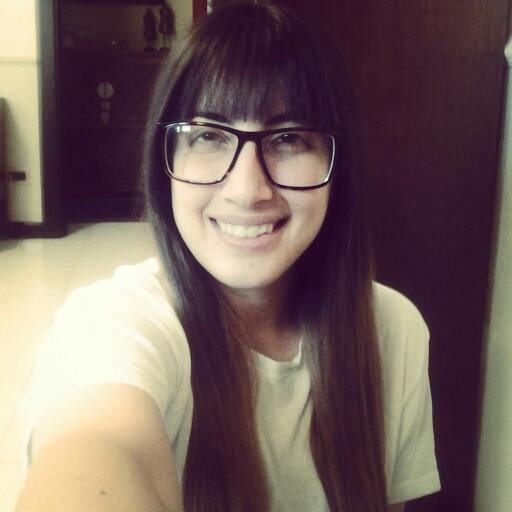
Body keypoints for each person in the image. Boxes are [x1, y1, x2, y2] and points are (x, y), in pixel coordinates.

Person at [16, 2, 440, 511]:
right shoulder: (112, 322)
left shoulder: (392, 328)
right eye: (209, 136)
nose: (247, 190)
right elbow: (94, 449)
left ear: (336, 164)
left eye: (288, 139)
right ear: (165, 159)